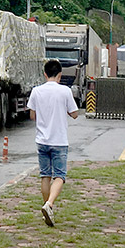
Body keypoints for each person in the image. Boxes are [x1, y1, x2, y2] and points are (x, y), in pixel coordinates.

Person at [27, 59, 79, 226]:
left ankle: (46, 210)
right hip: (59, 141)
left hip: (42, 140)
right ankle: (49, 204)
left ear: (45, 74)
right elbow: (75, 113)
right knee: (59, 176)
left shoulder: (36, 91)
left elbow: (32, 116)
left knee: (45, 175)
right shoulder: (65, 91)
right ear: (60, 75)